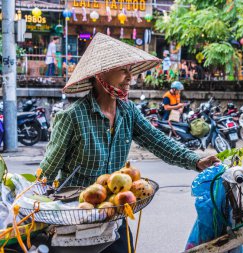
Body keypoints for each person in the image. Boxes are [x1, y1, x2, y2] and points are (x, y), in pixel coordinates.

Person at [39, 33, 218, 253]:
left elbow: (158, 142)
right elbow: (46, 173)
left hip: (115, 213)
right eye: (123, 70)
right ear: (101, 73)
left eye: (130, 70)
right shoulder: (72, 117)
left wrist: (196, 161)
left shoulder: (128, 112)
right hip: (77, 218)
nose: (129, 77)